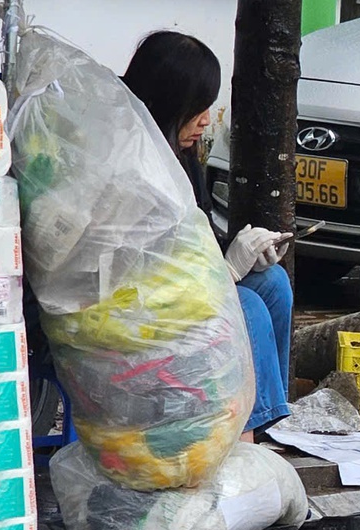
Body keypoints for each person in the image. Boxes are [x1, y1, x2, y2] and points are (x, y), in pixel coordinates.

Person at [121, 31, 292, 435]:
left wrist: (243, 255)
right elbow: (148, 264)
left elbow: (193, 239)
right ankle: (246, 438)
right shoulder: (131, 163)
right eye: (197, 110)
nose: (205, 122)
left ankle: (268, 419)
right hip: (136, 298)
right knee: (245, 307)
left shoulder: (181, 155)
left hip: (185, 283)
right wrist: (227, 273)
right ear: (166, 102)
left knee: (272, 283)